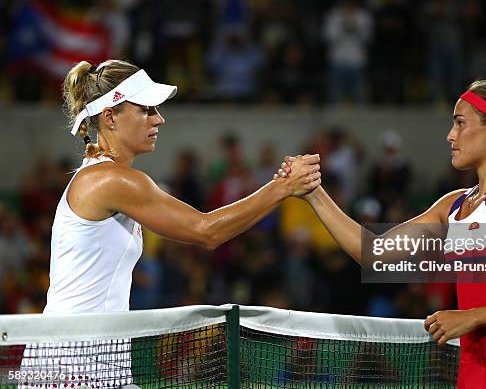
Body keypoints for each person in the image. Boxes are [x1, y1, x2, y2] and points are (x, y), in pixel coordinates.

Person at [278, 78, 486, 388]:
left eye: (460, 123)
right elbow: (373, 253)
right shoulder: (453, 204)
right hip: (476, 367)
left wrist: (470, 317)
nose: (451, 135)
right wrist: (314, 191)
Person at [45, 59, 321, 315]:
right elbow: (207, 231)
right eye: (146, 110)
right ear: (110, 118)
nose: (159, 119)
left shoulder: (104, 177)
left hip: (87, 352)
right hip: (74, 357)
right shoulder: (111, 180)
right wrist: (283, 186)